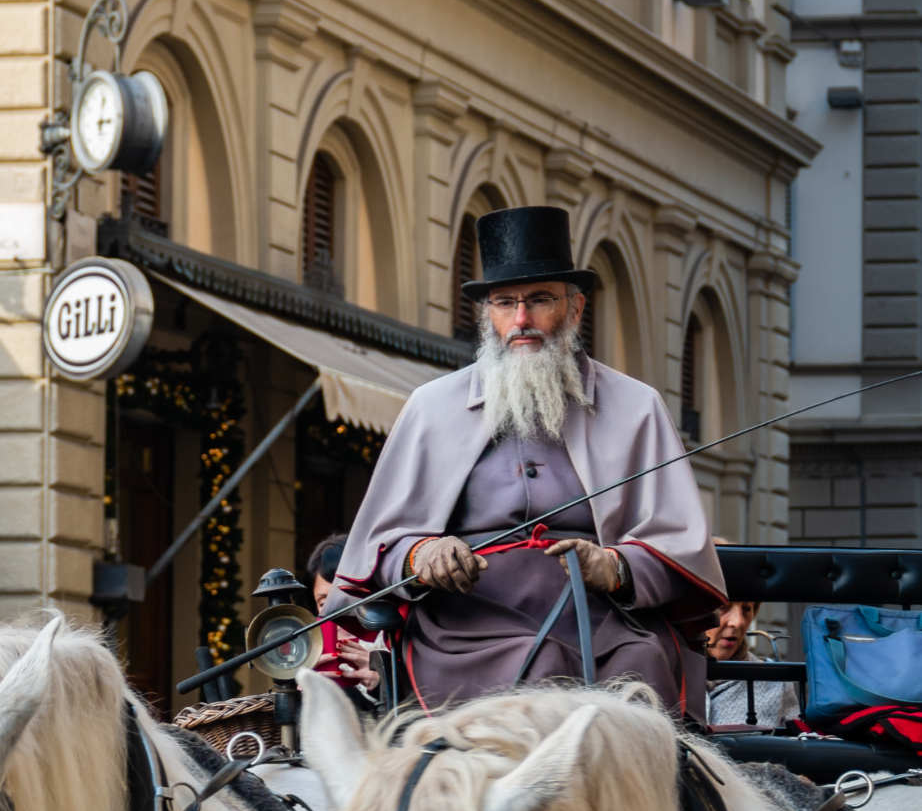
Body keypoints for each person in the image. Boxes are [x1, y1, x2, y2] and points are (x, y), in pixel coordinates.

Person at [324, 207, 726, 716]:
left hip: (601, 622)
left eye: (539, 301)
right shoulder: (430, 407)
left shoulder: (637, 405)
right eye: (505, 303)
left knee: (642, 663)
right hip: (468, 629)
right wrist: (421, 554)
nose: (521, 320)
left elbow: (679, 546)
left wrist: (614, 566)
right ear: (487, 316)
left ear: (575, 308)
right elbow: (378, 545)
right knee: (539, 671)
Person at [705, 597, 800, 730]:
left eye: (746, 609)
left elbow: (793, 746)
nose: (738, 621)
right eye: (723, 606)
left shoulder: (775, 684)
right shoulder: (669, 673)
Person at [307, 533, 383, 700]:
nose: (337, 615)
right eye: (323, 603)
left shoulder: (402, 644)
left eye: (348, 600)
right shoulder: (307, 649)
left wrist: (384, 682)